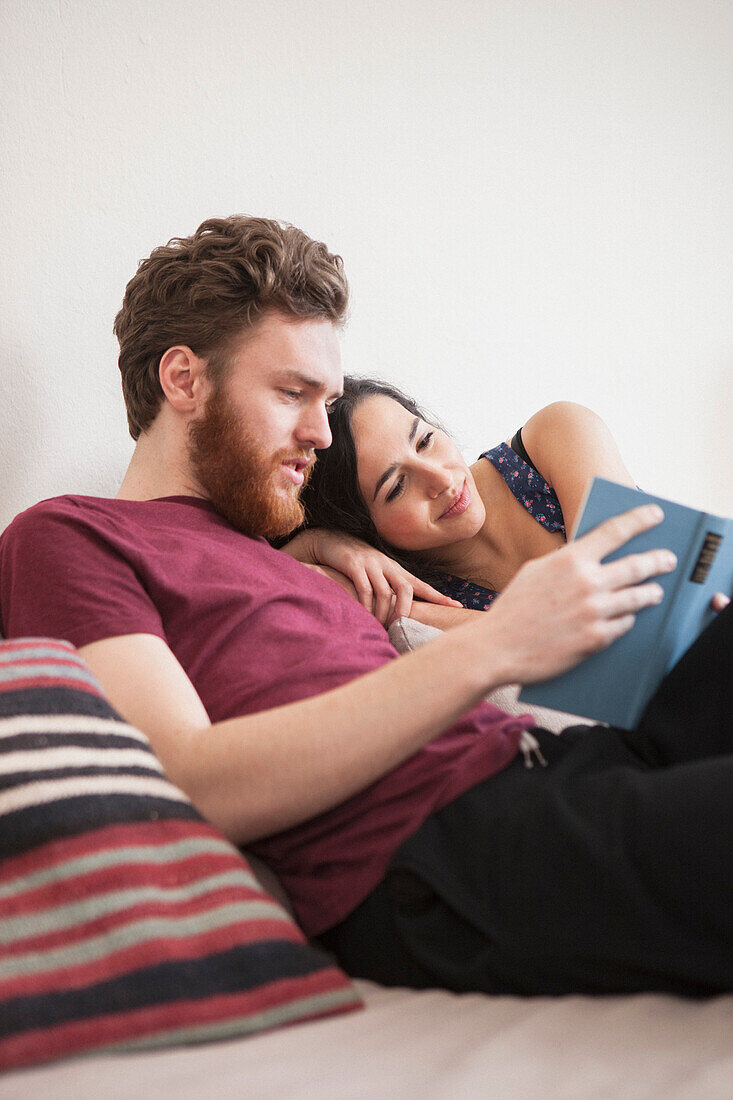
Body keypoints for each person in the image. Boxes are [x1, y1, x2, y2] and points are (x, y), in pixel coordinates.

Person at [1, 215, 731, 998]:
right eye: (292, 394)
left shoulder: (278, 546)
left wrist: (321, 547)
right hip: (437, 852)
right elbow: (185, 782)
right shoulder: (70, 536)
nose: (319, 433)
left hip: (551, 763)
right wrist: (493, 647)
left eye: (328, 401)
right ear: (183, 380)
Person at [300, 376, 637, 616]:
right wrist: (321, 544)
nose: (442, 480)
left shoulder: (556, 434)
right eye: (398, 487)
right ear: (363, 530)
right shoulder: (421, 597)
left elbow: (630, 600)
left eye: (424, 442)